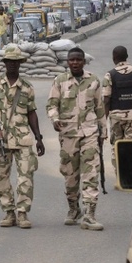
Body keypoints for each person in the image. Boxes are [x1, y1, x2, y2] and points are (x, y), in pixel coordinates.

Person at [0, 46, 45, 229]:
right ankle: (8, 212)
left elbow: (32, 113)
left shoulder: (27, 87)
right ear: (5, 63)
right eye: (10, 61)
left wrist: (39, 137)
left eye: (16, 62)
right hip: (0, 138)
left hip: (23, 138)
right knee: (1, 176)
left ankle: (22, 213)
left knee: (26, 175)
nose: (13, 65)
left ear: (20, 64)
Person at [46, 47, 107, 231]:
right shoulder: (60, 81)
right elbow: (52, 104)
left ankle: (90, 214)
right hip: (68, 134)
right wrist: (55, 119)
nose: (75, 62)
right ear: (67, 62)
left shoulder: (93, 81)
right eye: (71, 60)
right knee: (70, 175)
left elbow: (100, 108)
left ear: (83, 61)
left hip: (89, 133)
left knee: (91, 173)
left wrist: (103, 132)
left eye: (78, 59)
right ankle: (74, 209)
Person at [101, 46, 132, 176]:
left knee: (117, 145)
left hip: (116, 117)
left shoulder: (110, 75)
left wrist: (104, 120)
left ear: (113, 58)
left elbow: (106, 100)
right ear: (127, 56)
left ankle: (121, 175)